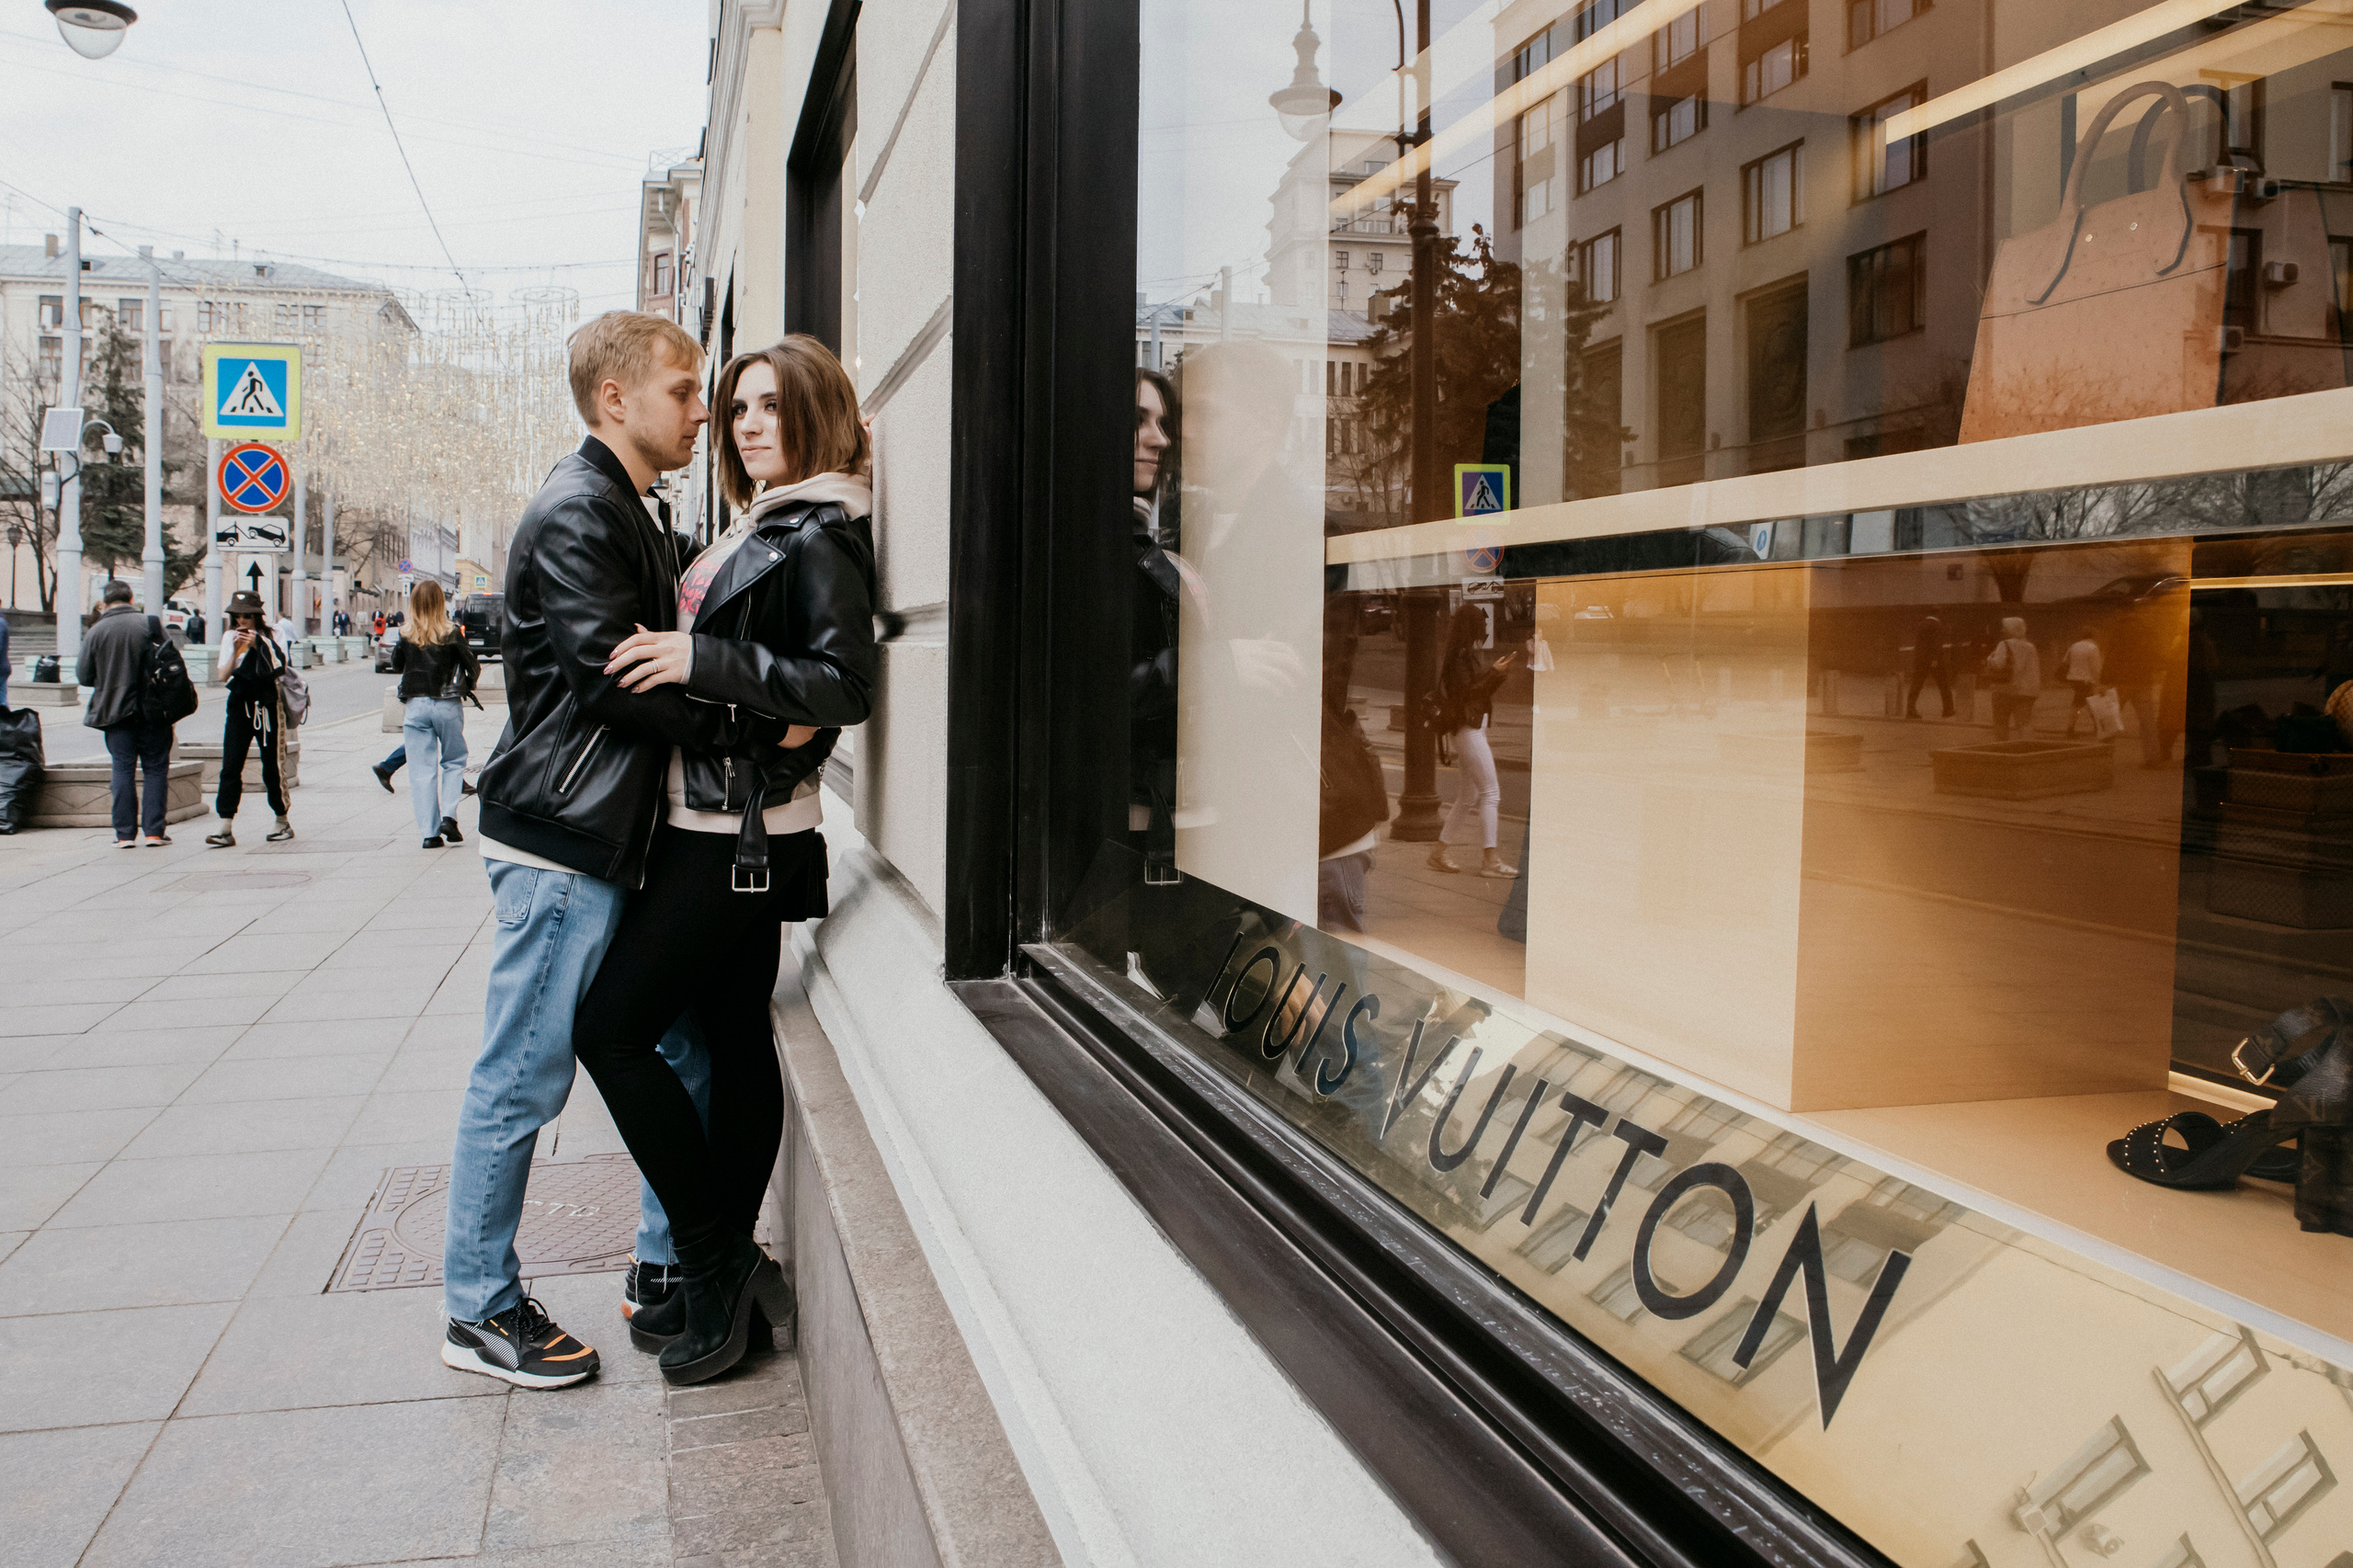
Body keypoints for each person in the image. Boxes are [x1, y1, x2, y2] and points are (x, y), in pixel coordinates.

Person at [441, 311, 793, 1392]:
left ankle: (664, 1263)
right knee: (523, 1076)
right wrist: (750, 728)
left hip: (615, 837)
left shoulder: (627, 507)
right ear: (615, 399)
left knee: (677, 1050)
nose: (704, 413)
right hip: (564, 842)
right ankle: (477, 1306)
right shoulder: (580, 511)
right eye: (685, 391)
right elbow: (618, 680)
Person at [573, 334, 877, 1387]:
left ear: (815, 414)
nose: (746, 424)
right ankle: (727, 1271)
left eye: (771, 406)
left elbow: (842, 683)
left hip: (735, 834)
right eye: (738, 407)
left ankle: (713, 1260)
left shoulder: (822, 530)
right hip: (719, 821)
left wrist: (701, 655)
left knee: (610, 1029)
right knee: (733, 1036)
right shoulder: (771, 520)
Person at [76, 579, 175, 846]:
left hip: (115, 711)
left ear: (105, 603)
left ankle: (124, 835)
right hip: (153, 710)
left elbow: (83, 676)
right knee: (155, 769)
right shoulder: (150, 624)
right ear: (132, 600)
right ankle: (154, 832)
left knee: (122, 768)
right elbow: (170, 661)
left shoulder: (96, 631)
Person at [1429, 601, 1518, 878]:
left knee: (1468, 797)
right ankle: (1490, 861)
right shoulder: (1459, 657)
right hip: (1468, 731)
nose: (1485, 628)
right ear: (1471, 627)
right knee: (1491, 793)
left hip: (1471, 729)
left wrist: (1496, 674)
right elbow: (1467, 693)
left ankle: (1437, 853)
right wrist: (1493, 674)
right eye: (1481, 624)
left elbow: (1476, 690)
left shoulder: (1463, 655)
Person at [391, 579, 479, 848]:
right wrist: (468, 685)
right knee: (454, 761)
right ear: (441, 603)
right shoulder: (451, 632)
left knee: (421, 769)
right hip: (447, 703)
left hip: (416, 705)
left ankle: (430, 835)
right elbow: (472, 665)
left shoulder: (406, 633)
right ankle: (449, 817)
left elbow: (397, 665)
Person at [204, 589, 293, 846]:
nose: (242, 621)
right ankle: (225, 825)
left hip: (266, 703)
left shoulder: (274, 633)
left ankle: (282, 819)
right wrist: (235, 650)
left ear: (257, 616)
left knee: (271, 764)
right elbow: (223, 675)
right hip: (239, 702)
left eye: (248, 616)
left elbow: (281, 665)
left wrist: (259, 644)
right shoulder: (230, 636)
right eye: (238, 616)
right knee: (231, 763)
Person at [1985, 616, 2042, 742]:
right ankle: (2026, 747)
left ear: (2011, 629)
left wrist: (1989, 658)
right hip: (2027, 691)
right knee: (2024, 723)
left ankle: (2002, 747)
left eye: (2004, 628)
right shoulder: (2030, 647)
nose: (2002, 630)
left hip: (2005, 689)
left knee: (2001, 722)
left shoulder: (2004, 644)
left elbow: (1998, 664)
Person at [1905, 613, 1955, 720]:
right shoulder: (1937, 625)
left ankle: (1910, 709)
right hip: (1934, 661)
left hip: (1920, 660)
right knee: (1944, 685)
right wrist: (1935, 659)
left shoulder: (1921, 625)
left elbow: (1918, 644)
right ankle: (1948, 709)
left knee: (1916, 685)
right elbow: (1936, 644)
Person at [2061, 631, 2104, 736]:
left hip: (2074, 680)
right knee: (2087, 704)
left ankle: (2074, 728)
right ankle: (2073, 729)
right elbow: (2096, 667)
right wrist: (2099, 682)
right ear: (2093, 637)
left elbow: (2065, 661)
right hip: (2086, 681)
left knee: (2082, 703)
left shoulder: (2074, 646)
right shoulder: (2093, 648)